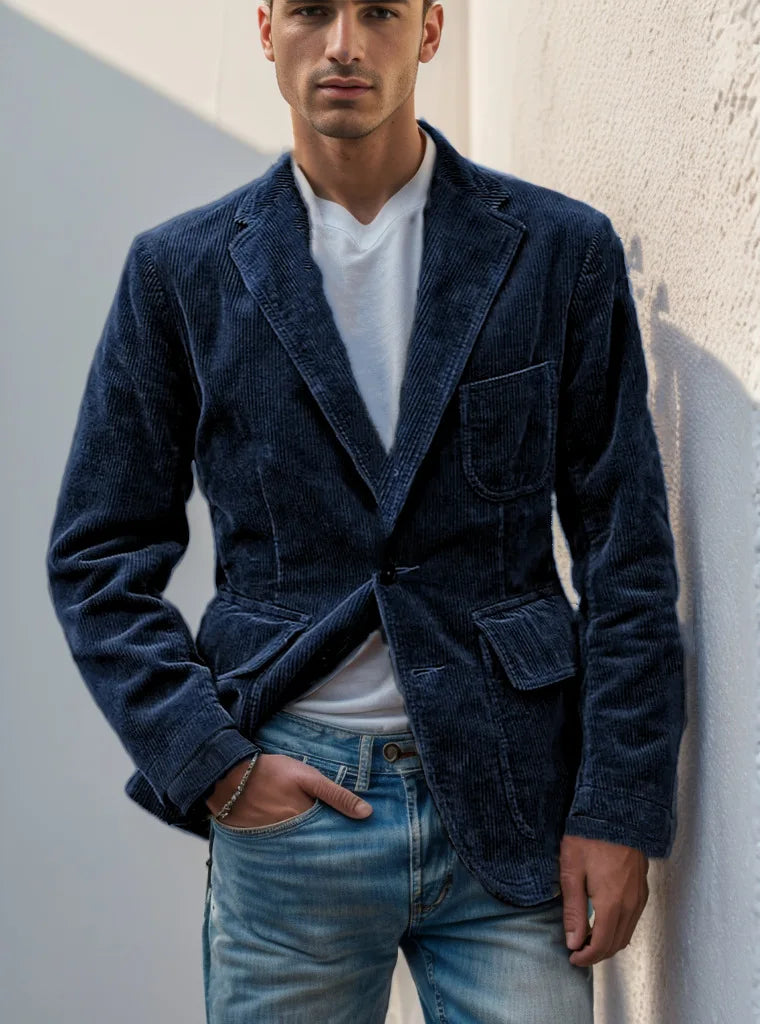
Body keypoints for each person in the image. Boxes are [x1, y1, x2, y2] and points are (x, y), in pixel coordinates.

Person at [46, 1, 686, 1021]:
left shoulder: (558, 253)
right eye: (311, 10)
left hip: (513, 805)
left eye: (379, 11)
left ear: (429, 30)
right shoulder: (182, 273)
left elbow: (628, 553)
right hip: (291, 818)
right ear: (266, 29)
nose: (343, 43)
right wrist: (215, 766)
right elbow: (97, 554)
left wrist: (618, 809)